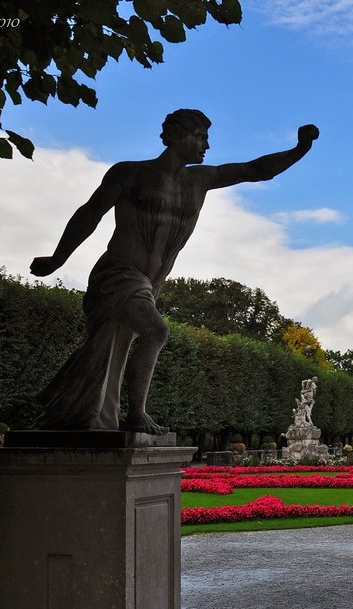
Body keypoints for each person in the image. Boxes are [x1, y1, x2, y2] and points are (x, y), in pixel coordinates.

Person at [30, 110, 319, 433]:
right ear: (176, 136)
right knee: (156, 332)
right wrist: (58, 258)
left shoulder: (199, 180)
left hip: (150, 284)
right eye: (200, 136)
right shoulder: (130, 173)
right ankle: (136, 415)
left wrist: (298, 150)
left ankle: (74, 412)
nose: (206, 145)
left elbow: (254, 170)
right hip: (118, 274)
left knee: (104, 353)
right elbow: (90, 213)